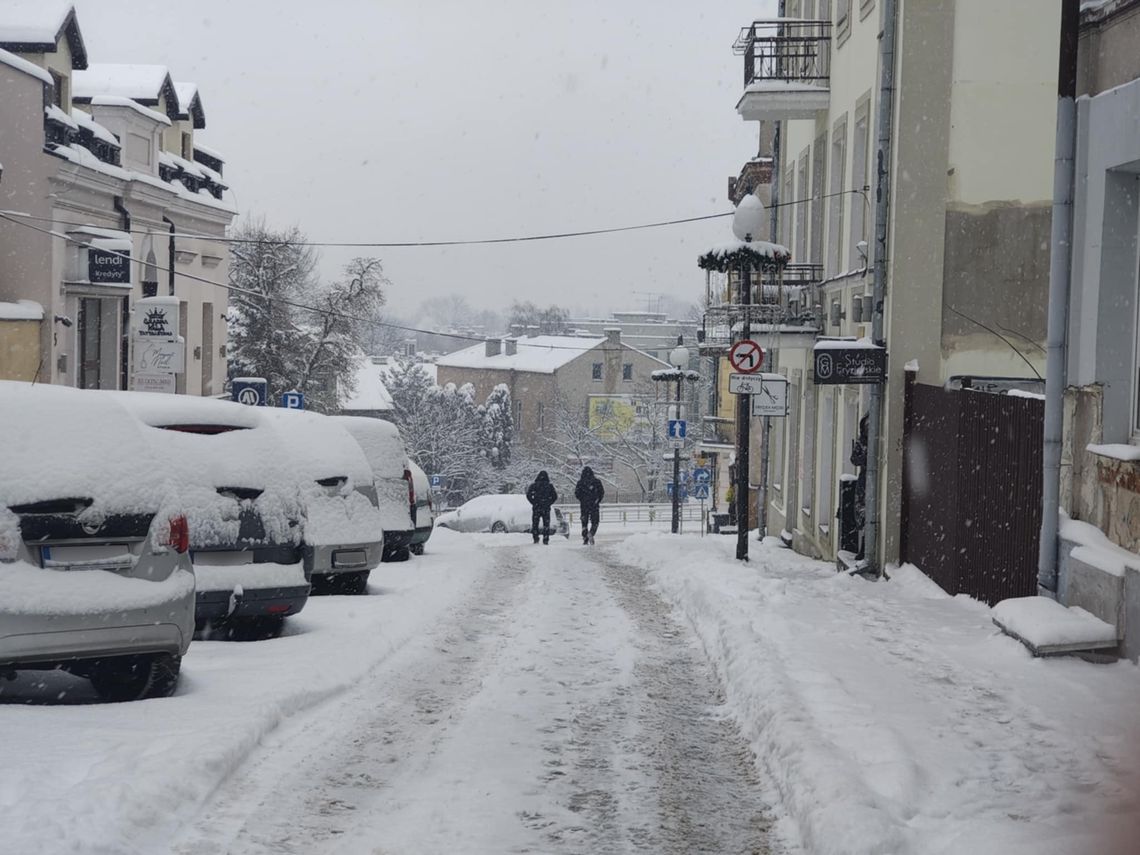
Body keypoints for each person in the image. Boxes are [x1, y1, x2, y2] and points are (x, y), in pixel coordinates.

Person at [574, 466, 605, 545]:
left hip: (584, 505)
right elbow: (601, 492)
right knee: (595, 522)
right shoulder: (597, 482)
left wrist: (582, 499)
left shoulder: (580, 482)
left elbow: (577, 494)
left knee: (584, 521)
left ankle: (585, 537)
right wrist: (597, 500)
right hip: (594, 504)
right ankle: (591, 533)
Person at [525, 470, 558, 545]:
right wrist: (549, 503)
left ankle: (536, 538)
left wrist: (533, 502)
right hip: (546, 508)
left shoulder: (534, 485)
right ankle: (545, 539)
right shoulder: (549, 486)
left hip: (537, 507)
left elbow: (528, 495)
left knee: (535, 523)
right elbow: (555, 496)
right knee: (546, 524)